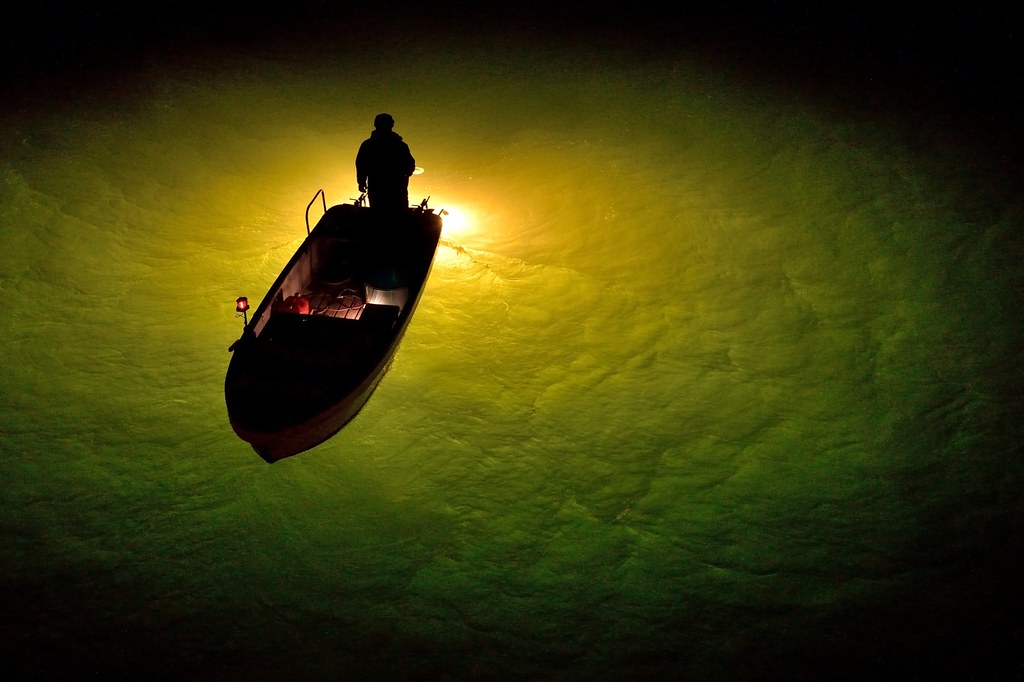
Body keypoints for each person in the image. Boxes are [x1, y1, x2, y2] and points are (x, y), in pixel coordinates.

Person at [355, 113, 416, 209]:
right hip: (380, 187)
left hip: (396, 187)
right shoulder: (368, 145)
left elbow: (410, 164)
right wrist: (361, 181)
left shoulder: (400, 145)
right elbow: (361, 164)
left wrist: (405, 173)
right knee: (381, 214)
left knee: (396, 214)